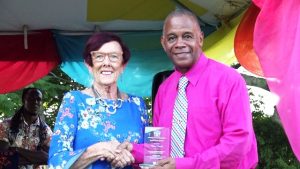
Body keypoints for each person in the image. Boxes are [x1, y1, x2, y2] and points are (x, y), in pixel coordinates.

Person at [151, 9, 258, 169]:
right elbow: (156, 149)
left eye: (187, 36)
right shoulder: (164, 89)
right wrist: (129, 151)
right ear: (163, 43)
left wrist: (185, 165)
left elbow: (238, 144)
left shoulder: (228, 80)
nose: (179, 43)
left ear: (200, 39)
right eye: (172, 38)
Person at [48, 32, 149, 169]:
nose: (106, 63)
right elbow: (55, 163)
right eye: (99, 57)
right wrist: (96, 150)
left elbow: (152, 156)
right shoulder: (74, 101)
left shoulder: (137, 105)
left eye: (114, 57)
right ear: (89, 65)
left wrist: (129, 155)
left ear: (123, 65)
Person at [0, 87, 53, 169]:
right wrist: (36, 156)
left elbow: (48, 158)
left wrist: (17, 150)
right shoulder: (6, 125)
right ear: (23, 100)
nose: (35, 102)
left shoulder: (46, 131)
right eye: (31, 98)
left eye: (38, 99)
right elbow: (3, 156)